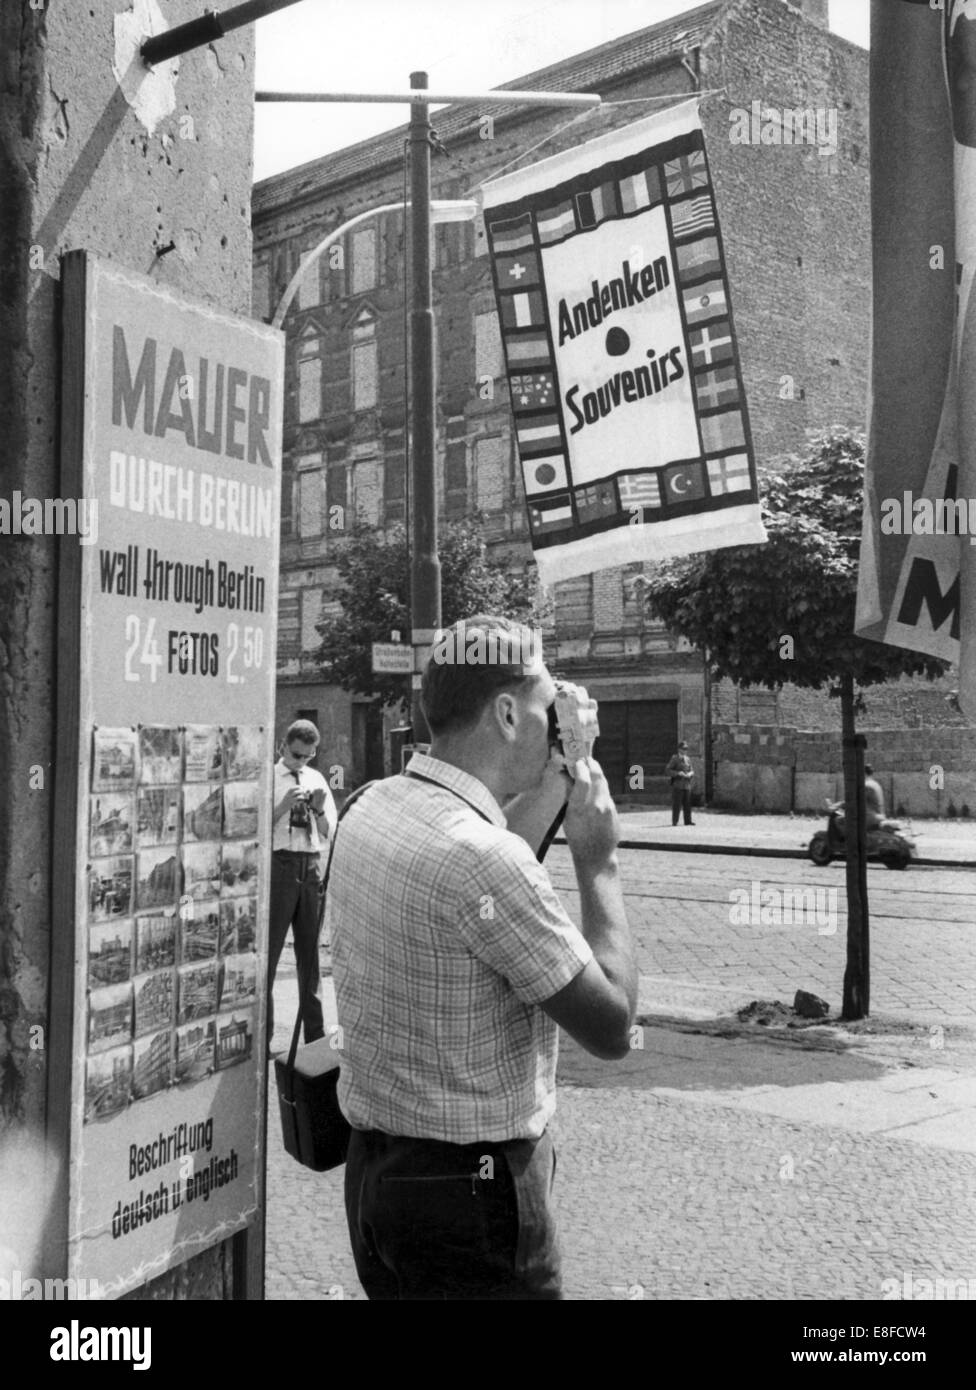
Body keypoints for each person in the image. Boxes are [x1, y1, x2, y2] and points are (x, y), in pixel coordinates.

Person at [328, 614, 637, 1300]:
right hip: (472, 1204)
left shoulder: (368, 807)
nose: (552, 718)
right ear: (505, 713)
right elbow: (613, 1026)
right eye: (542, 705)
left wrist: (560, 771)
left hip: (376, 1181)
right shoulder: (484, 863)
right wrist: (600, 862)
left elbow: (493, 890)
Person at [268, 719, 337, 1049]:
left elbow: (329, 832)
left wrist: (319, 810)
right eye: (296, 756)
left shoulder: (316, 778)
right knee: (270, 953)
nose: (301, 763)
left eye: (308, 757)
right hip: (279, 864)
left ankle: (315, 1038)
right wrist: (282, 807)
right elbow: (251, 827)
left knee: (310, 959)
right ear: (284, 746)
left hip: (309, 865)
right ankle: (264, 1039)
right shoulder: (269, 777)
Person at [665, 740, 695, 826]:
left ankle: (688, 821)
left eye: (686, 749)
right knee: (677, 804)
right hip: (678, 784)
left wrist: (690, 774)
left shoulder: (688, 759)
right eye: (683, 749)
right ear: (679, 749)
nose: (685, 750)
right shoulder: (675, 758)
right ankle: (675, 821)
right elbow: (668, 770)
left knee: (688, 804)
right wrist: (678, 773)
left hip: (686, 784)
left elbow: (691, 770)